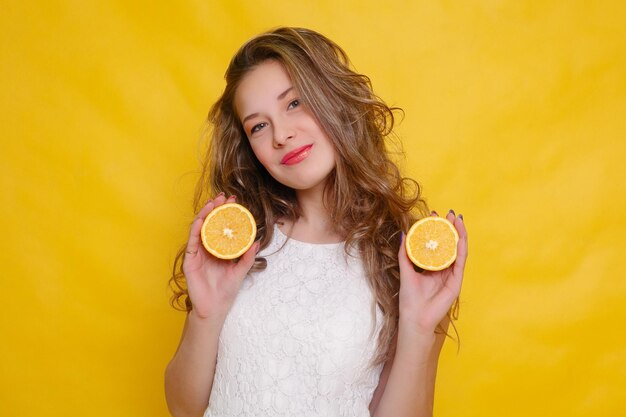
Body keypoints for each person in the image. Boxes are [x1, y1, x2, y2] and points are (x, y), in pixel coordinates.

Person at [164, 27, 468, 417]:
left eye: (294, 103)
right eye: (258, 125)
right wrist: (204, 316)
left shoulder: (405, 258)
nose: (281, 135)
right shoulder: (237, 245)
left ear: (332, 99)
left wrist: (419, 328)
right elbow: (183, 409)